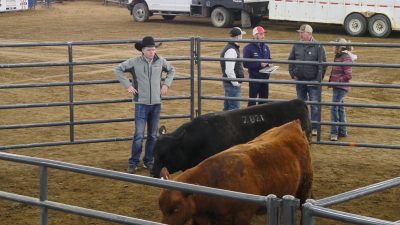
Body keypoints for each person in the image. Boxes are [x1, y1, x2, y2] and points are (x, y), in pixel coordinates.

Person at [114, 36, 175, 174]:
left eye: (153, 49)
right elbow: (118, 69)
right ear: (142, 50)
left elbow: (172, 70)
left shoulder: (160, 61)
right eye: (149, 50)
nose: (152, 52)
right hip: (141, 103)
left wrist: (166, 84)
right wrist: (127, 85)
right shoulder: (134, 62)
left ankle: (149, 160)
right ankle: (134, 162)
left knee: (153, 135)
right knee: (139, 135)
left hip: (156, 103)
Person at [288, 24, 327, 136]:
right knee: (301, 104)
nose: (300, 34)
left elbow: (323, 64)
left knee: (314, 105)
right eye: (299, 32)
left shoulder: (318, 46)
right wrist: (292, 73)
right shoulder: (297, 45)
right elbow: (291, 59)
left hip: (313, 81)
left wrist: (318, 79)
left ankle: (314, 127)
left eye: (302, 32)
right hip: (300, 80)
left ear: (309, 34)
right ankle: (304, 126)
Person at [328, 38, 355, 141]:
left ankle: (334, 133)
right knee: (339, 108)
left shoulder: (345, 57)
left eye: (335, 46)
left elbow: (348, 75)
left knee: (334, 108)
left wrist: (337, 81)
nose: (333, 47)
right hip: (339, 87)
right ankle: (342, 131)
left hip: (340, 87)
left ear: (339, 47)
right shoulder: (340, 56)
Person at [243, 26, 272, 106]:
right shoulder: (248, 48)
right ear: (255, 35)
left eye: (263, 34)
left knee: (264, 101)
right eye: (261, 34)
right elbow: (245, 63)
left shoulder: (266, 46)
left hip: (265, 77)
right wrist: (259, 64)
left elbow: (269, 58)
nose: (263, 36)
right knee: (252, 100)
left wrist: (269, 64)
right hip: (254, 78)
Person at [220, 27, 246, 111]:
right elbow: (229, 70)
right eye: (242, 35)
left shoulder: (231, 48)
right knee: (234, 110)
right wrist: (235, 83)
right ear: (238, 37)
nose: (242, 37)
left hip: (229, 83)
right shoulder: (232, 50)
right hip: (232, 84)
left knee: (227, 109)